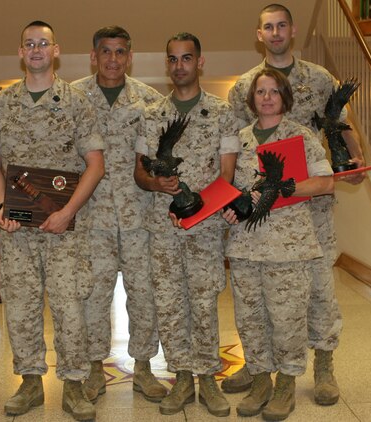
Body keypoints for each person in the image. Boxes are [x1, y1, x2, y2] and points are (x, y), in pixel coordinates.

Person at [225, 3, 366, 406]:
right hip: (259, 212)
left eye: (281, 25)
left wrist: (350, 163)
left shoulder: (318, 79)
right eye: (267, 27)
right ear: (259, 34)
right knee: (258, 296)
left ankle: (323, 363)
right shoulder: (244, 84)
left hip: (308, 205)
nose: (275, 33)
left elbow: (337, 123)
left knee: (318, 287)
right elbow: (234, 137)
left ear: (293, 29)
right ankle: (258, 367)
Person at [0, 21, 105, 421]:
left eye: (43, 44)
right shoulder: (2, 104)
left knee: (71, 308)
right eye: (29, 44)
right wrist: (4, 206)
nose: (36, 50)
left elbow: (95, 165)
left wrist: (67, 211)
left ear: (56, 51)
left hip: (66, 231)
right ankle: (31, 383)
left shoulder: (76, 102)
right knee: (20, 307)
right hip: (18, 232)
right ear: (21, 52)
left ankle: (73, 385)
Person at [134, 32, 240, 417]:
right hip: (163, 229)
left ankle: (208, 378)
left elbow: (226, 177)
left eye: (187, 58)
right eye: (174, 59)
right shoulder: (152, 116)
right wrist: (156, 183)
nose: (180, 66)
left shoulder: (222, 113)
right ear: (168, 65)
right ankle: (181, 377)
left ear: (200, 62)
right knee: (170, 303)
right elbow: (139, 173)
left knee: (203, 301)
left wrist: (199, 211)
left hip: (206, 229)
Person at [224, 68, 335, 421]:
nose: (267, 97)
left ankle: (286, 383)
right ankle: (260, 381)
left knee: (287, 318)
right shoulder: (238, 139)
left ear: (284, 97)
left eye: (274, 91)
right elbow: (232, 187)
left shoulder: (299, 137)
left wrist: (288, 188)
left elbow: (325, 183)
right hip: (245, 246)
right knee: (250, 318)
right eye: (260, 92)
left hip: (288, 247)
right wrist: (232, 208)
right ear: (252, 98)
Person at [70, 26, 167, 404]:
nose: (113, 59)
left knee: (144, 294)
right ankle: (95, 368)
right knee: (93, 295)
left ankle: (143, 367)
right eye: (105, 52)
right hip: (91, 220)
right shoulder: (73, 98)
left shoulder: (150, 102)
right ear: (93, 56)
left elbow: (159, 160)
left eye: (120, 52)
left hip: (139, 218)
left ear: (130, 57)